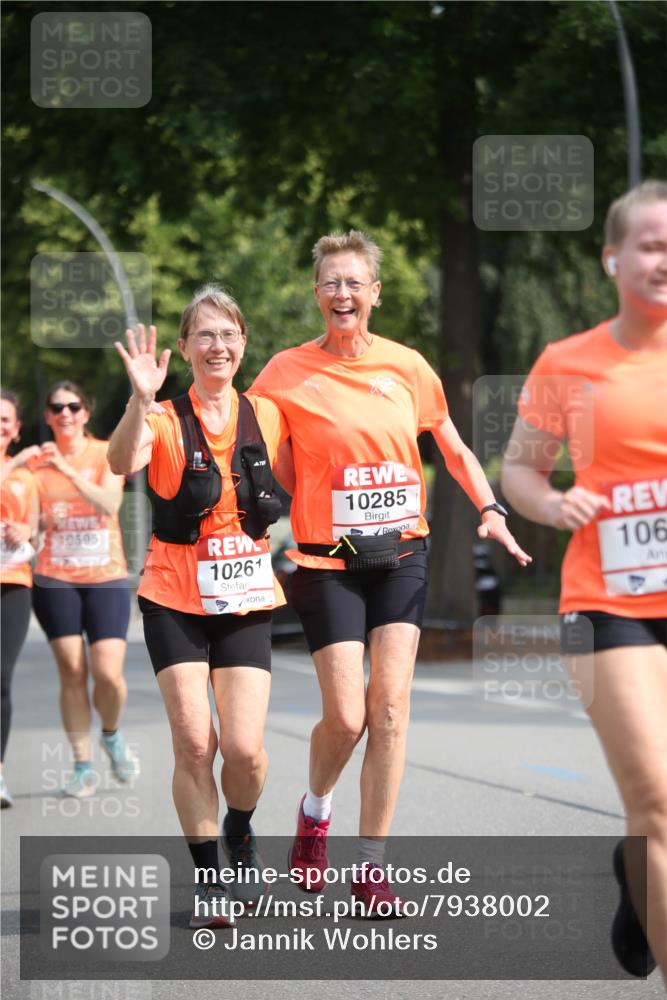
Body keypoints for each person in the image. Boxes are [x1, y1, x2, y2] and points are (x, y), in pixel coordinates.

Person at [251, 230, 531, 916]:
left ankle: (370, 867)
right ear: (315, 294)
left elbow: (452, 445)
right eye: (330, 283)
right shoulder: (283, 372)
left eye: (354, 282)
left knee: (391, 710)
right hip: (326, 564)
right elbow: (249, 451)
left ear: (374, 293)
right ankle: (314, 814)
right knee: (346, 717)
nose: (341, 294)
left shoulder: (406, 365)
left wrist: (490, 508)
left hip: (402, 555)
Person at [501, 180, 667, 980]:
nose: (663, 259)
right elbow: (518, 471)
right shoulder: (568, 363)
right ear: (612, 258)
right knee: (658, 800)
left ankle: (638, 888)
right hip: (607, 602)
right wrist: (553, 500)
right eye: (649, 244)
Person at [108, 286, 288, 929]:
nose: (218, 345)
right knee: (194, 742)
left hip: (244, 596)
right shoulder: (161, 417)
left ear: (243, 343)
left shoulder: (268, 414)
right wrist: (139, 398)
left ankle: (240, 828)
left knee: (243, 750)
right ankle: (210, 877)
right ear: (183, 348)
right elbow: (121, 460)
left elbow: (322, 464)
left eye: (228, 334)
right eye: (204, 335)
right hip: (172, 595)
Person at [29, 381, 137, 798]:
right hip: (55, 576)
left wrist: (68, 471)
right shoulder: (37, 465)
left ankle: (110, 733)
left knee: (108, 674)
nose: (66, 414)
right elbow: (35, 521)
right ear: (48, 417)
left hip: (105, 576)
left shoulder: (104, 452)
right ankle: (82, 767)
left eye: (74, 406)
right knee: (72, 673)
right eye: (57, 408)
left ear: (86, 413)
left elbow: (109, 505)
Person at [0, 389, 39, 807]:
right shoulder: (17, 466)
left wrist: (27, 532)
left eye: (5, 419)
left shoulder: (26, 477)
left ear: (16, 427)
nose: (0, 426)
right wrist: (11, 463)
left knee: (0, 678)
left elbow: (36, 527)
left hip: (12, 581)